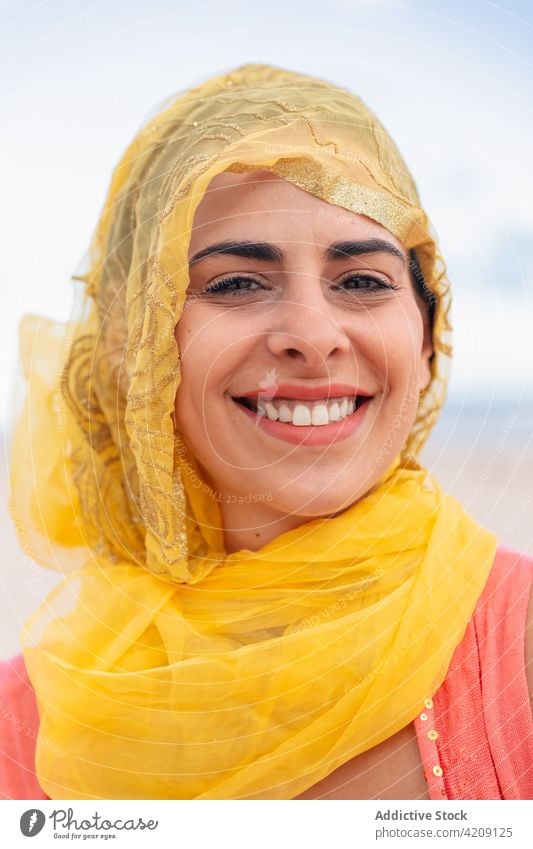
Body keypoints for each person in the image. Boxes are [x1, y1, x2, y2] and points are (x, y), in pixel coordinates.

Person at [1, 63, 531, 801]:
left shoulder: (520, 649)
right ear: (133, 341)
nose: (313, 336)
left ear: (426, 337)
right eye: (236, 283)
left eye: (362, 281)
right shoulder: (26, 720)